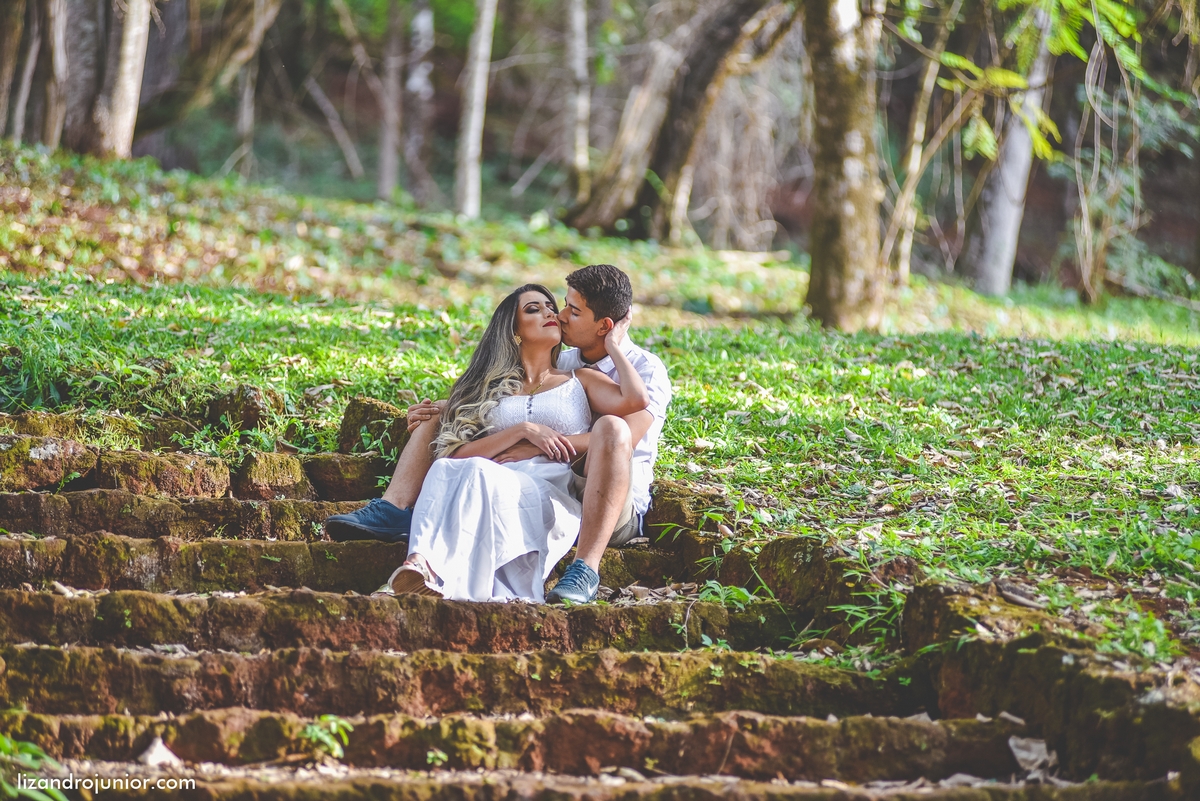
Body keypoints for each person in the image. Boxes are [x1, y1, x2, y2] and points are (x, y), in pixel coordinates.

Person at [323, 264, 672, 603]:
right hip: (516, 478)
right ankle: (401, 523)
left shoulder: (642, 369)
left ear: (605, 326)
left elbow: (625, 432)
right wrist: (450, 410)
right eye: (557, 306)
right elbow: (510, 399)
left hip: (609, 496)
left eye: (572, 310)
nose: (560, 315)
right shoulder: (564, 361)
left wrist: (535, 443)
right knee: (451, 447)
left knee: (610, 426)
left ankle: (585, 569)